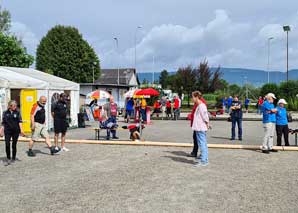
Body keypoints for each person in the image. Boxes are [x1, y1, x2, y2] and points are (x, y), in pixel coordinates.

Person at [0, 100, 24, 165]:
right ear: (10, 106)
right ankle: (8, 158)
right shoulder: (5, 113)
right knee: (7, 144)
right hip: (7, 131)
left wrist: (22, 130)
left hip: (15, 131)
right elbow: (3, 123)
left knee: (14, 145)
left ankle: (13, 157)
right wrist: (1, 131)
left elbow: (20, 122)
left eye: (16, 106)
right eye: (14, 106)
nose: (15, 107)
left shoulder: (18, 112)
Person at [192, 91, 209, 167]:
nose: (192, 99)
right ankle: (204, 159)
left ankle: (204, 161)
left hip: (200, 128)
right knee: (202, 143)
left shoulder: (201, 106)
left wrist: (207, 123)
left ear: (196, 97)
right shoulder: (199, 106)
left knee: (202, 144)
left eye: (192, 97)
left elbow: (205, 116)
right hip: (199, 127)